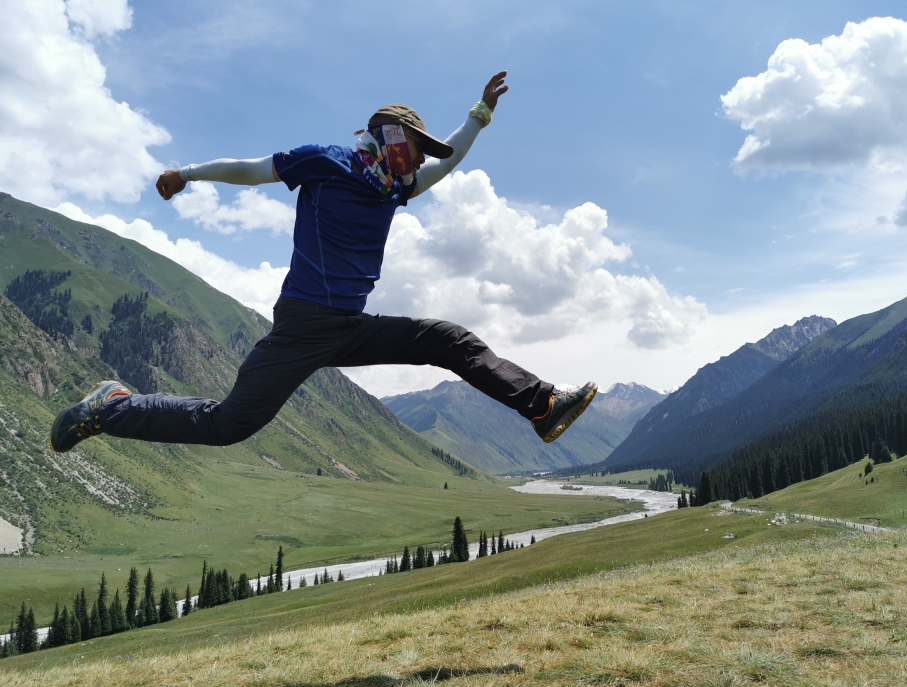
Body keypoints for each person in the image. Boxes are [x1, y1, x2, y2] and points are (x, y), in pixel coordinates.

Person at [50, 72, 597, 455]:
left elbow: (446, 165)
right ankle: (113, 406)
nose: (419, 160)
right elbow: (253, 170)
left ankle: (543, 406)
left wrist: (479, 115)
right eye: (415, 147)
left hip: (349, 327)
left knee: (447, 340)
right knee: (229, 424)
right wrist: (187, 173)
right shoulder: (326, 162)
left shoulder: (392, 188)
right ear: (389, 137)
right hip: (305, 323)